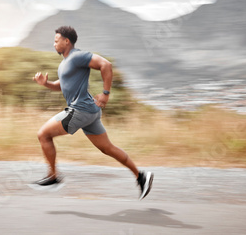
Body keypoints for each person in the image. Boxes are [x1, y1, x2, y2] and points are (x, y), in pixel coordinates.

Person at [30, 26, 154, 200]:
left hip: (80, 109)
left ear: (67, 41)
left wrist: (105, 93)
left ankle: (53, 177)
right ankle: (141, 176)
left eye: (56, 41)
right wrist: (46, 84)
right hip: (89, 112)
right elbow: (62, 85)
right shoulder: (65, 63)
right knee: (107, 148)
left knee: (43, 134)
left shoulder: (77, 56)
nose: (54, 44)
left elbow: (106, 64)